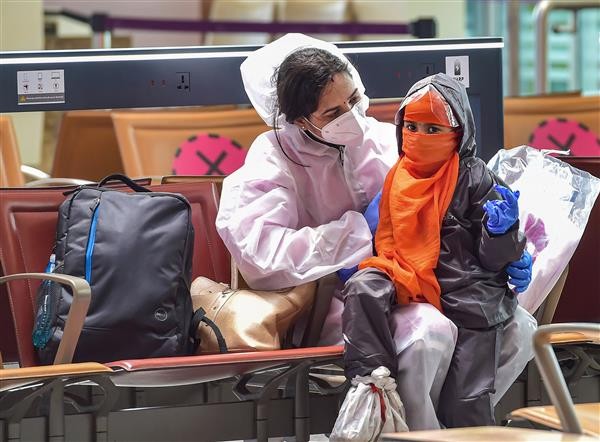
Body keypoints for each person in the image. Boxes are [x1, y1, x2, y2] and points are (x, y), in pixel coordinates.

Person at [215, 33, 536, 430]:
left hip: (432, 282)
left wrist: (508, 244)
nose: (349, 115)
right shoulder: (273, 161)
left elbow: (465, 194)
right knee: (426, 333)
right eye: (331, 113)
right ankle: (417, 435)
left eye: (351, 99)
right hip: (335, 301)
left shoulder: (388, 139)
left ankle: (456, 430)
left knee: (518, 327)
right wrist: (357, 233)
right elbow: (261, 257)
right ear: (298, 119)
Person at [340, 73, 527, 429]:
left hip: (469, 295)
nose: (419, 137)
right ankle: (373, 382)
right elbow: (385, 238)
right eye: (411, 126)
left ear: (458, 133)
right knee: (365, 285)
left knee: (466, 402)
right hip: (406, 274)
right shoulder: (398, 175)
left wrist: (502, 234)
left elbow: (492, 259)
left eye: (432, 129)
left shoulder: (475, 177)